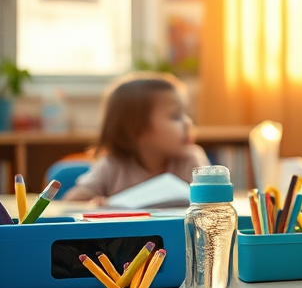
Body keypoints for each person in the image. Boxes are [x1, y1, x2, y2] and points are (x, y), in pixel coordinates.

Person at [64, 72, 209, 202]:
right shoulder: (112, 165)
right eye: (175, 116)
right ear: (137, 131)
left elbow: (213, 202)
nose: (188, 123)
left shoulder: (190, 160)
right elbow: (72, 200)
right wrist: (94, 202)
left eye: (187, 114)